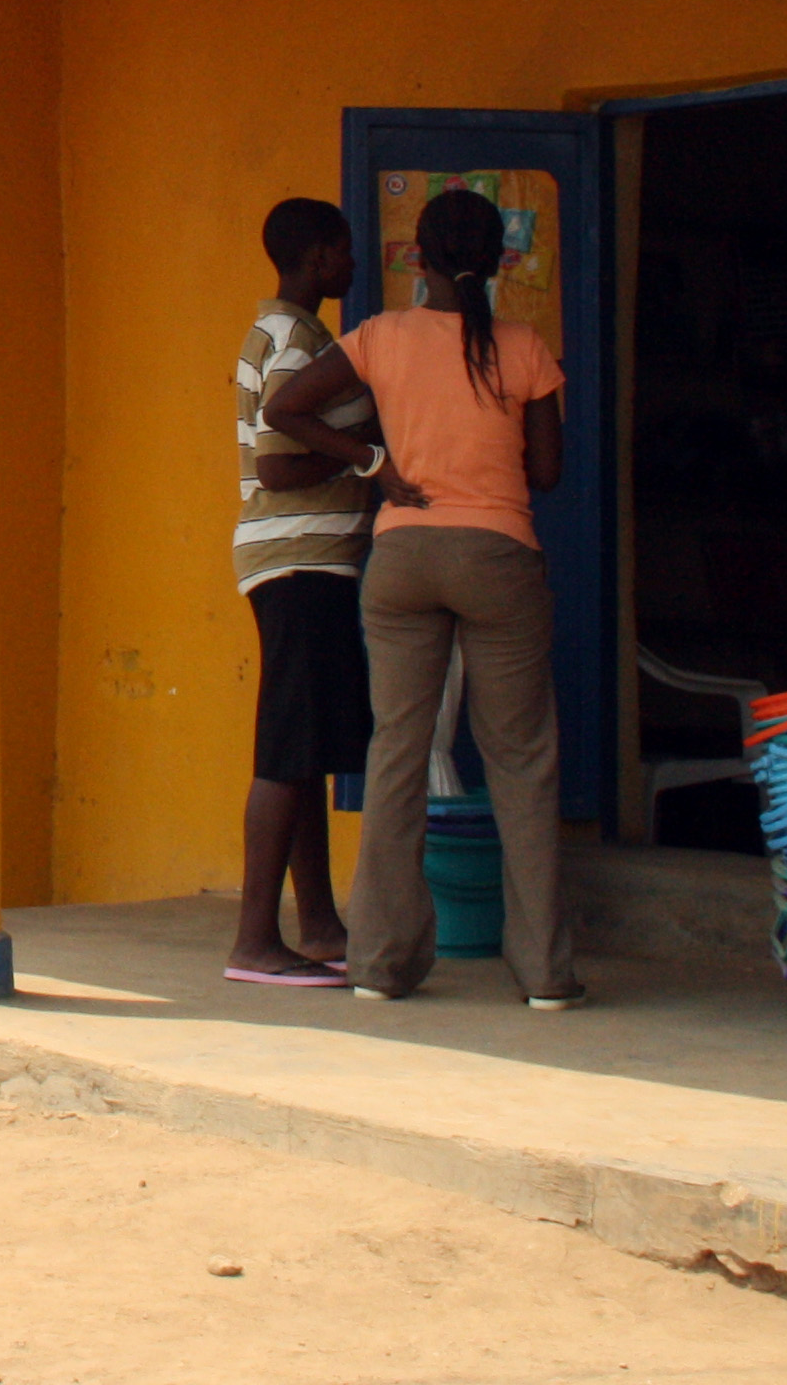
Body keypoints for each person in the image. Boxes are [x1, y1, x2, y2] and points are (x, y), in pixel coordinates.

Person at [268, 184, 582, 1007]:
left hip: (402, 558)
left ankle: (379, 965)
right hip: (499, 556)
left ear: (417, 257)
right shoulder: (524, 347)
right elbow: (546, 474)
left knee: (397, 755)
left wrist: (373, 463)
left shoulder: (379, 337)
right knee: (521, 759)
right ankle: (546, 974)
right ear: (502, 260)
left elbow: (286, 406)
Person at [225, 197, 378, 986]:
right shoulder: (292, 337)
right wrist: (366, 457)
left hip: (300, 559)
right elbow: (280, 464)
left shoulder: (288, 331)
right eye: (346, 251)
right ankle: (255, 940)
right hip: (298, 560)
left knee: (305, 746)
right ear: (319, 256)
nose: (355, 265)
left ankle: (317, 924)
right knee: (286, 750)